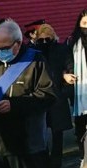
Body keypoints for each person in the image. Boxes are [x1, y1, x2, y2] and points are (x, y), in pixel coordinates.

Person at [0, 19, 56, 168]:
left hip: (29, 144)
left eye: (4, 48)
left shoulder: (36, 61)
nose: (0, 52)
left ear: (18, 44)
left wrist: (14, 105)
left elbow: (48, 95)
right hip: (0, 144)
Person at [35, 24, 73, 168]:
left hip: (57, 98)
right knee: (40, 133)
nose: (44, 42)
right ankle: (43, 162)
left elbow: (70, 68)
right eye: (41, 39)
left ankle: (56, 162)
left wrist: (65, 92)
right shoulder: (35, 52)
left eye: (47, 39)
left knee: (58, 134)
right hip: (40, 99)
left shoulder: (62, 50)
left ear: (53, 37)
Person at [63, 8, 87, 159]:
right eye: (85, 23)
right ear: (79, 24)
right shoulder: (72, 42)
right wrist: (64, 75)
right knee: (81, 129)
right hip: (79, 93)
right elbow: (63, 64)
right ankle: (84, 157)